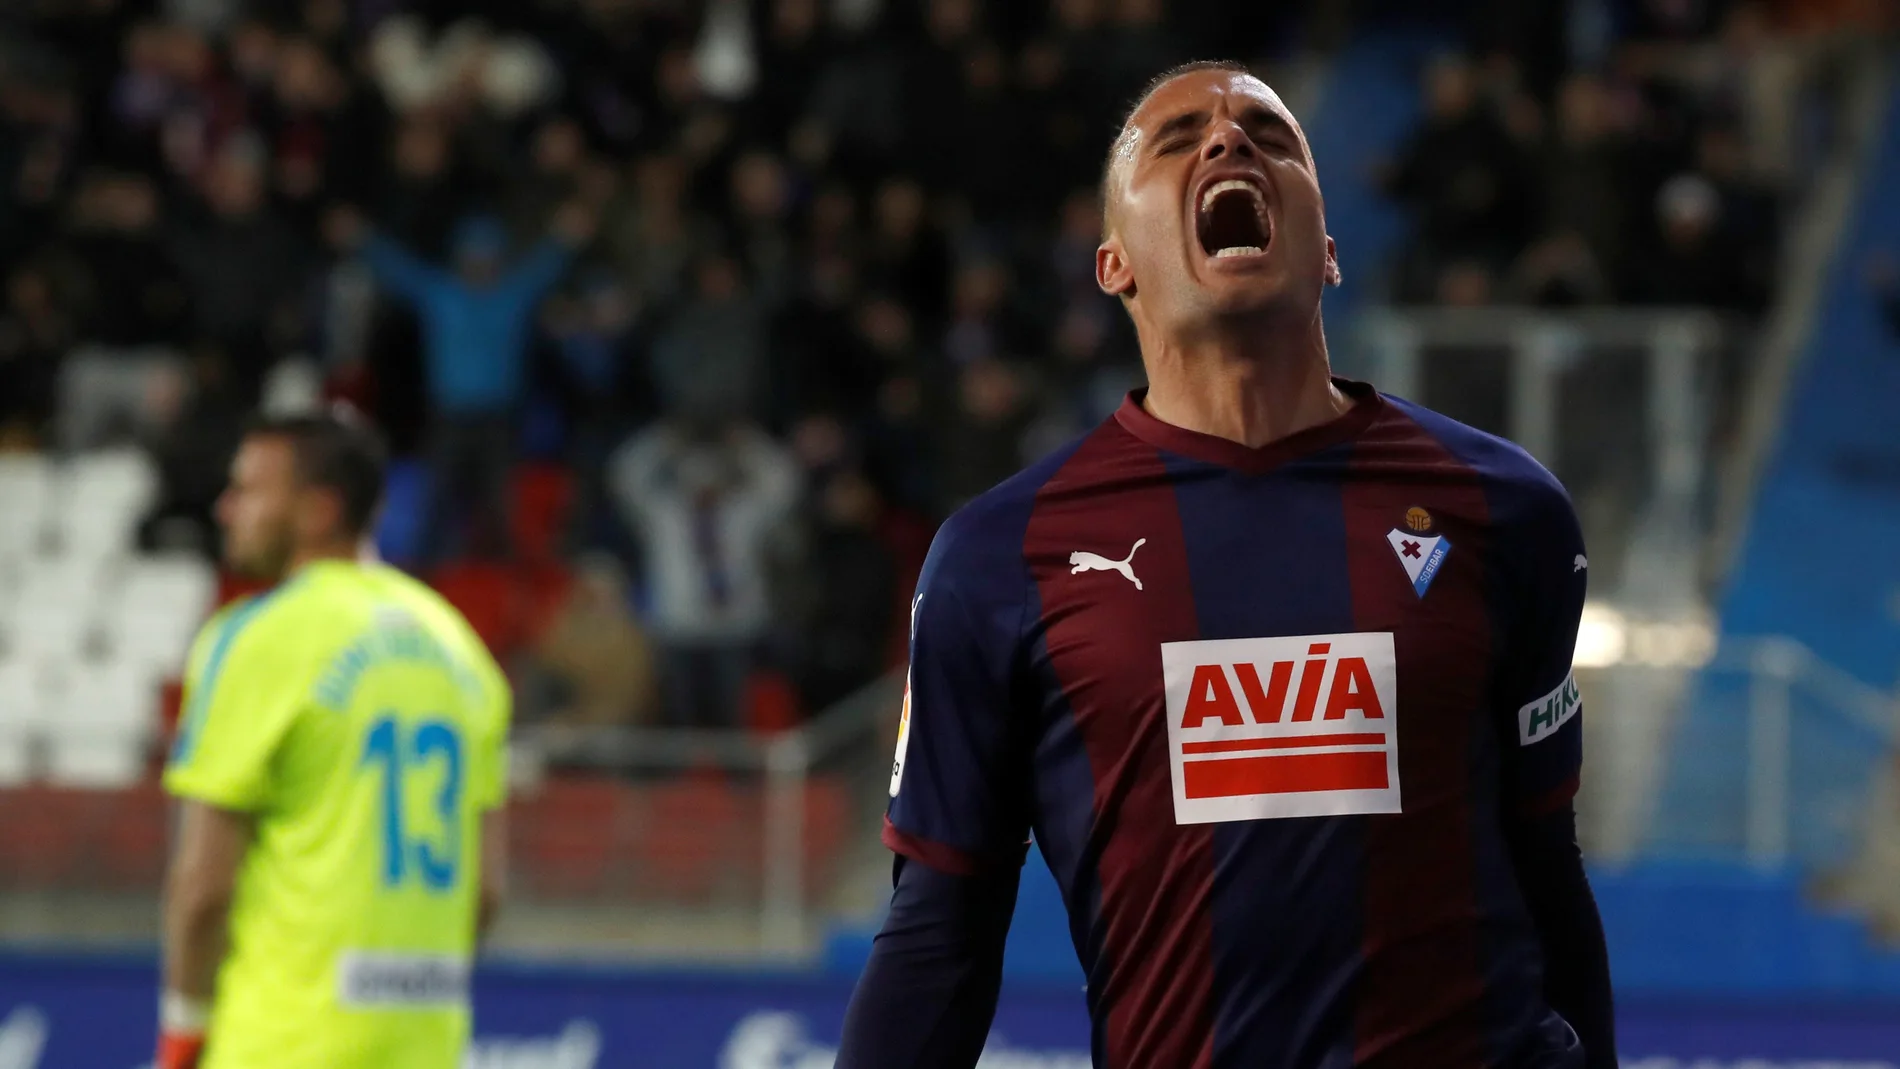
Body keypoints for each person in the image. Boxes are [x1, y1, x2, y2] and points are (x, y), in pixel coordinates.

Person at [837, 62, 1615, 1069]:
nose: (1227, 142)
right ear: (1113, 264)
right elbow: (939, 932)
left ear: (1328, 251)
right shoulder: (997, 560)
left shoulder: (1505, 510)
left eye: (1270, 134)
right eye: (1175, 140)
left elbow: (1545, 860)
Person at [156, 411, 512, 1069]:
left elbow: (203, 885)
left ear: (319, 510)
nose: (225, 507)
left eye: (249, 490)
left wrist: (182, 1030)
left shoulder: (257, 637)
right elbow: (485, 890)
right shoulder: (460, 647)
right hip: (424, 1046)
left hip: (283, 1043)